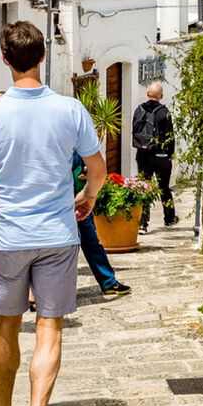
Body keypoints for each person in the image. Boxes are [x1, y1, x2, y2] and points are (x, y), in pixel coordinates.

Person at [0, 21, 105, 406]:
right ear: (42, 57)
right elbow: (96, 168)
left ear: (5, 59)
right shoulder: (70, 110)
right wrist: (88, 197)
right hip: (57, 234)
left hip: (7, 236)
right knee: (48, 327)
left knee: (6, 324)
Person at [74, 156, 130, 298]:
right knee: (60, 249)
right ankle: (39, 294)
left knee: (91, 241)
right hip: (64, 201)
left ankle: (108, 282)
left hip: (78, 199)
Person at [133, 81, 177, 232]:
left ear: (147, 94)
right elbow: (170, 136)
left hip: (143, 155)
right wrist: (170, 154)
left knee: (144, 187)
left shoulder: (138, 110)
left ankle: (143, 224)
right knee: (164, 187)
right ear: (161, 96)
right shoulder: (164, 112)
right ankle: (169, 219)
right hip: (161, 156)